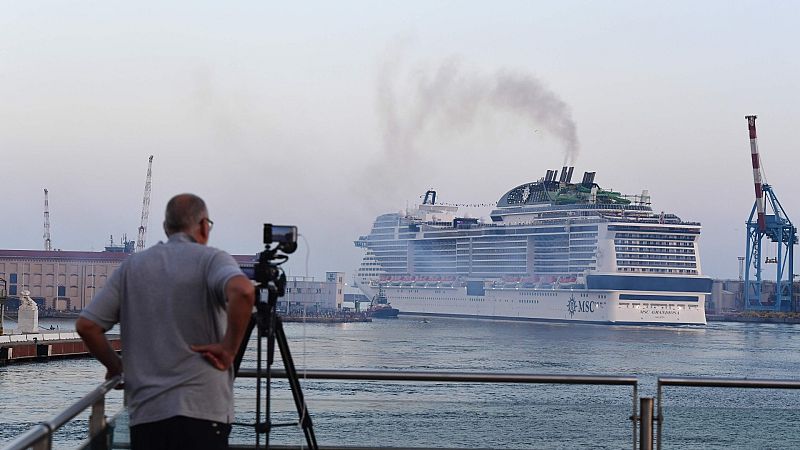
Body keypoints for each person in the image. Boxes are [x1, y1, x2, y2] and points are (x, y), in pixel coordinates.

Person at [76, 193, 255, 450]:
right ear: (204, 226)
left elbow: (87, 326)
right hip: (204, 413)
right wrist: (229, 348)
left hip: (147, 416)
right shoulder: (213, 260)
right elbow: (244, 291)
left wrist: (115, 365)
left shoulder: (132, 267)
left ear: (165, 228)